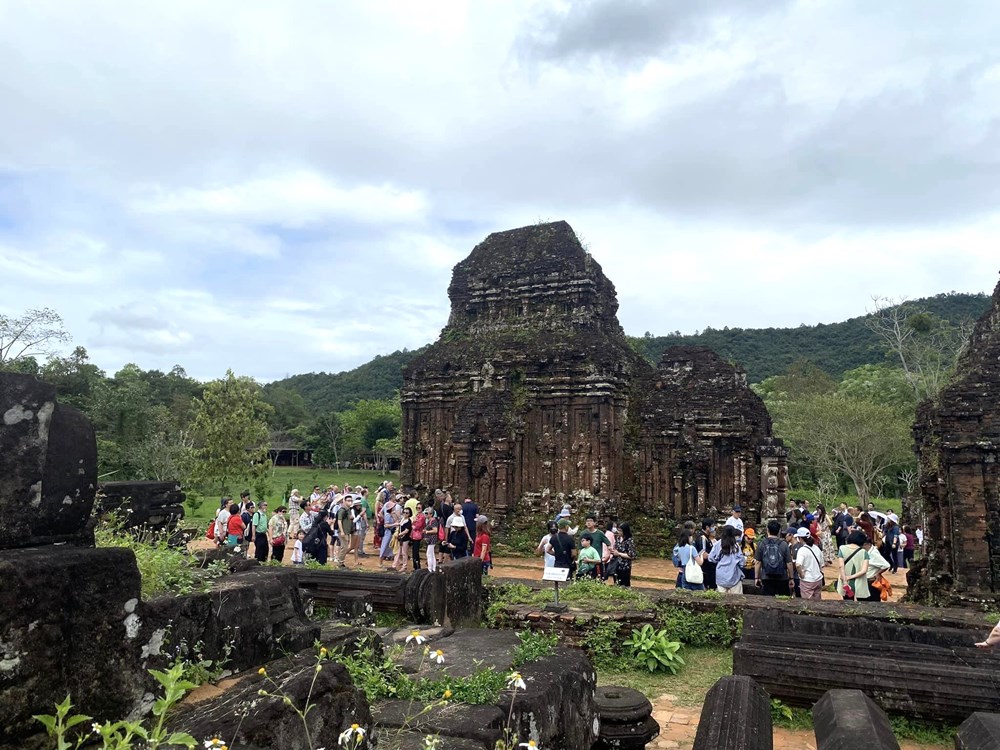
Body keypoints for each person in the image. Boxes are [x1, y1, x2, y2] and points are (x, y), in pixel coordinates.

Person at [754, 520, 794, 597]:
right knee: (784, 599)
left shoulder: (761, 543)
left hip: (766, 577)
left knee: (768, 600)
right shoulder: (784, 544)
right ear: (779, 531)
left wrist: (756, 578)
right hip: (782, 577)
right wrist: (791, 578)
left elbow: (757, 562)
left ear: (767, 530)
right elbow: (789, 563)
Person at [709, 525, 745, 595]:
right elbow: (742, 562)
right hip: (734, 577)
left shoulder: (717, 544)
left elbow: (711, 558)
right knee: (737, 601)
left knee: (721, 602)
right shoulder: (736, 546)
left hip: (721, 577)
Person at [837, 530, 870, 601]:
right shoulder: (864, 552)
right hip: (858, 583)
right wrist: (850, 577)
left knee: (847, 601)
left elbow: (841, 566)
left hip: (845, 582)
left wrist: (845, 580)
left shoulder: (842, 548)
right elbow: (864, 570)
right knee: (858, 604)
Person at [794, 527, 825, 601]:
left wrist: (801, 574)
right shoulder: (816, 548)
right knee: (817, 601)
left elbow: (798, 565)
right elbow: (822, 564)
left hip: (807, 580)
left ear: (800, 538)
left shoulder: (802, 550)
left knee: (807, 603)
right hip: (818, 579)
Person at [611, 522, 637, 587]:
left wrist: (619, 554)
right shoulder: (618, 538)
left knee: (624, 584)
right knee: (616, 583)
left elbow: (632, 555)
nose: (618, 532)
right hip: (616, 565)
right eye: (618, 530)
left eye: (620, 531)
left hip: (625, 567)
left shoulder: (629, 541)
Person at [694, 519, 717, 591]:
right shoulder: (702, 538)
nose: (714, 528)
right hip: (706, 568)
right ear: (707, 527)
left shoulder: (707, 537)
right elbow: (703, 554)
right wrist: (715, 557)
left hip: (709, 568)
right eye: (712, 526)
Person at [393, 507, 412, 572]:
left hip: (405, 539)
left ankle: (404, 566)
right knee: (398, 552)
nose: (405, 514)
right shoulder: (403, 519)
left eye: (407, 513)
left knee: (404, 553)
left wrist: (399, 535)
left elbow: (406, 531)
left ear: (409, 514)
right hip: (400, 538)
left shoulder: (408, 521)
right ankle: (394, 565)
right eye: (404, 512)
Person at [423, 507, 439, 573]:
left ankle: (430, 568)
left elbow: (435, 530)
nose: (425, 515)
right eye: (425, 513)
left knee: (429, 554)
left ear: (431, 514)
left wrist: (427, 532)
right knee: (431, 554)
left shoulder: (433, 521)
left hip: (432, 539)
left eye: (427, 513)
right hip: (430, 539)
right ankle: (433, 567)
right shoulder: (429, 521)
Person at [410, 500, 425, 570]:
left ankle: (417, 567)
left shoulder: (421, 516)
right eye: (417, 508)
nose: (418, 509)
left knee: (415, 552)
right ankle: (415, 566)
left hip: (417, 535)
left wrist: (413, 523)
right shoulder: (417, 515)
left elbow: (417, 526)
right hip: (414, 535)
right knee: (414, 552)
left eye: (419, 508)